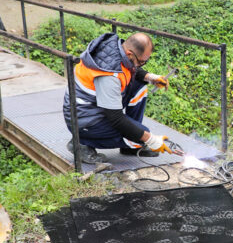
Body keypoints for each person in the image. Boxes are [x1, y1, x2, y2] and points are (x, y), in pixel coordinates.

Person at [62, 32, 174, 165]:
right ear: (129, 54)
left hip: (94, 107)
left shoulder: (116, 49)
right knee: (142, 136)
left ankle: (130, 146)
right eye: (142, 61)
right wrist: (150, 139)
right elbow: (116, 119)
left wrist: (150, 77)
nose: (142, 65)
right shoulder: (108, 77)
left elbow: (130, 68)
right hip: (84, 120)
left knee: (140, 87)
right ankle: (82, 143)